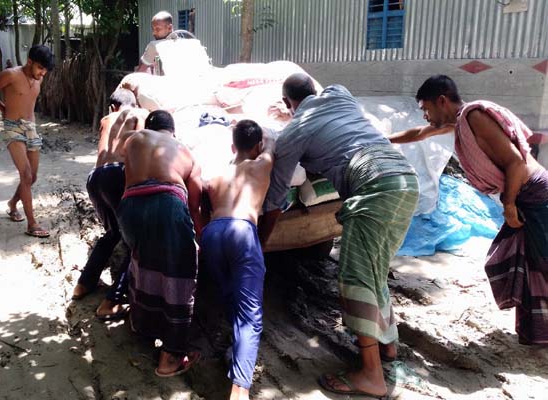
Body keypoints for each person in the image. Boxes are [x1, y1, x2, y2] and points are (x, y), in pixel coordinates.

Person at [259, 74, 418, 398]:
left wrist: (261, 241)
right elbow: (323, 104)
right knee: (373, 270)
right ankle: (387, 345)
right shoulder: (339, 94)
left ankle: (372, 375)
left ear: (288, 102)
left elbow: (276, 195)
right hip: (404, 179)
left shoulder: (294, 132)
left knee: (355, 277)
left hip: (374, 187)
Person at [389, 75, 548, 345]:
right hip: (525, 198)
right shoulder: (458, 123)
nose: (426, 116)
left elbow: (515, 163)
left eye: (426, 109)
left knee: (542, 263)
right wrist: (382, 140)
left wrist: (508, 205)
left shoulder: (474, 117)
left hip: (535, 195)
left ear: (442, 100)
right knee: (527, 264)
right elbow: (419, 133)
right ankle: (538, 332)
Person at [117, 110, 204, 377]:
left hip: (129, 207)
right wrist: (200, 239)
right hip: (167, 204)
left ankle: (142, 326)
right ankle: (171, 356)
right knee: (178, 277)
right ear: (173, 132)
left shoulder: (135, 138)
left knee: (142, 264)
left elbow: (119, 146)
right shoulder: (186, 152)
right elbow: (194, 204)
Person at [201, 120, 274, 400]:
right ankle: (240, 389)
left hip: (213, 233)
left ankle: (236, 347)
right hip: (242, 231)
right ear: (256, 146)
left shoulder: (215, 173)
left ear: (232, 147)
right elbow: (272, 142)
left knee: (230, 295)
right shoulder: (262, 165)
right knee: (250, 315)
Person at [72, 91, 147, 321]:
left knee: (113, 233)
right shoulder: (139, 113)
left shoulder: (107, 120)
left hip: (95, 178)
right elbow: (141, 142)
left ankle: (84, 284)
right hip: (119, 175)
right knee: (137, 244)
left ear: (113, 107)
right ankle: (112, 301)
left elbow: (101, 155)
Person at [0, 45, 54, 238]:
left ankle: (13, 203)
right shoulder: (11, 75)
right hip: (12, 127)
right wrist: (3, 108)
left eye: (46, 70)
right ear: (29, 61)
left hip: (31, 128)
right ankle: (32, 224)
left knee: (33, 177)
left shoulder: (37, 80)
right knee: (26, 174)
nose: (43, 73)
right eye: (40, 68)